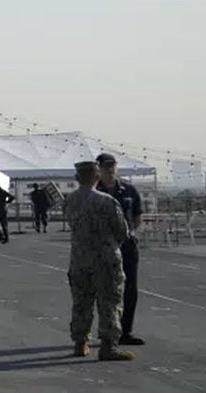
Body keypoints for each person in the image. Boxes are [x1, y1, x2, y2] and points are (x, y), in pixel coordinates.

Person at [64, 160, 134, 361]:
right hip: (105, 258)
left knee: (81, 302)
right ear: (98, 177)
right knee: (110, 302)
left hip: (78, 258)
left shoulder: (70, 201)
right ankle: (108, 345)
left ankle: (80, 342)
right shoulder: (106, 201)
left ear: (77, 178)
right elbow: (122, 231)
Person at [96, 153, 144, 346]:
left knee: (130, 288)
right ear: (98, 169)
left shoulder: (129, 190)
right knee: (104, 289)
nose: (110, 170)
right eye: (106, 166)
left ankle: (125, 330)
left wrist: (131, 233)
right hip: (103, 247)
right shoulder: (95, 192)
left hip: (126, 245)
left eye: (112, 166)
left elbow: (138, 215)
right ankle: (107, 330)